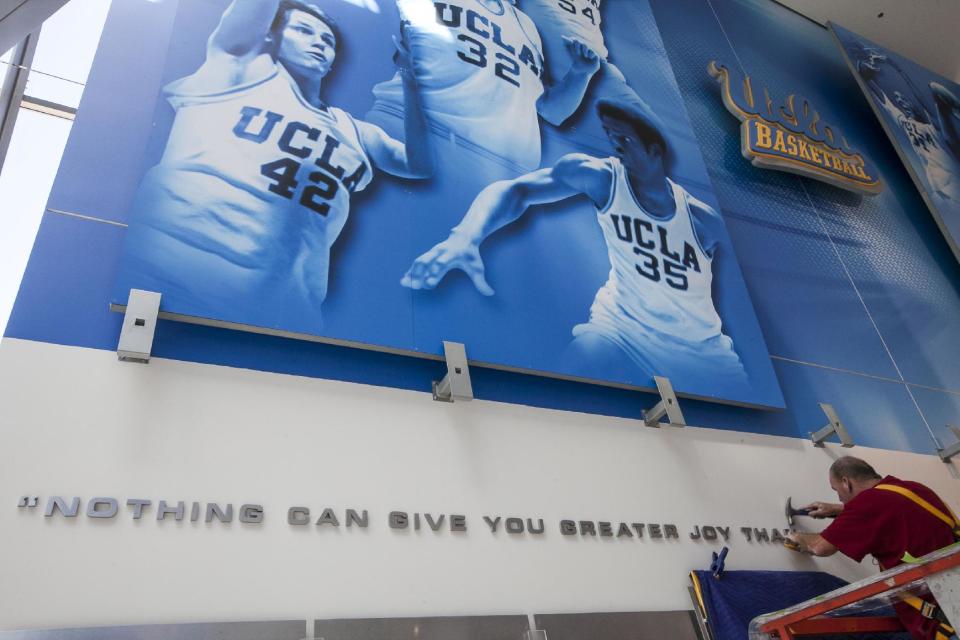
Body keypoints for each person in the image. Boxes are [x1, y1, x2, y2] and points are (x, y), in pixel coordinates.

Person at [117, 0, 432, 333]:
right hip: (169, 289)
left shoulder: (353, 130)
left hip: (282, 317)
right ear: (270, 37)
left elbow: (418, 164)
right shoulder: (235, 70)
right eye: (303, 30)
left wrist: (411, 80)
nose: (318, 43)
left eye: (327, 41)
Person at [401, 95, 750, 392]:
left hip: (701, 351)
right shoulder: (601, 177)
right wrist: (465, 237)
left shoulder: (703, 221)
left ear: (655, 151)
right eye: (611, 137)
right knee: (572, 371)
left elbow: (739, 289)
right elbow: (517, 190)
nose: (615, 147)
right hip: (622, 329)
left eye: (624, 140)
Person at [367, 0, 602, 173]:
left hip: (496, 173)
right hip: (415, 146)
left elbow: (552, 111)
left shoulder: (526, 26)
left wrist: (580, 74)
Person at [787, 456, 959, 640]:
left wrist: (798, 538)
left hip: (945, 623)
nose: (839, 497)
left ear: (846, 483)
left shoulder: (867, 505)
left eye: (836, 490)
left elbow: (820, 547)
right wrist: (838, 509)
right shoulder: (913, 488)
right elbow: (885, 512)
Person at [854, 44, 960, 203]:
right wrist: (866, 68)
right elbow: (878, 93)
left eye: (902, 98)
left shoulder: (932, 126)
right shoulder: (904, 122)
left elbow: (920, 97)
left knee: (934, 87)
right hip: (937, 191)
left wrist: (894, 64)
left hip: (953, 186)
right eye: (897, 99)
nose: (899, 100)